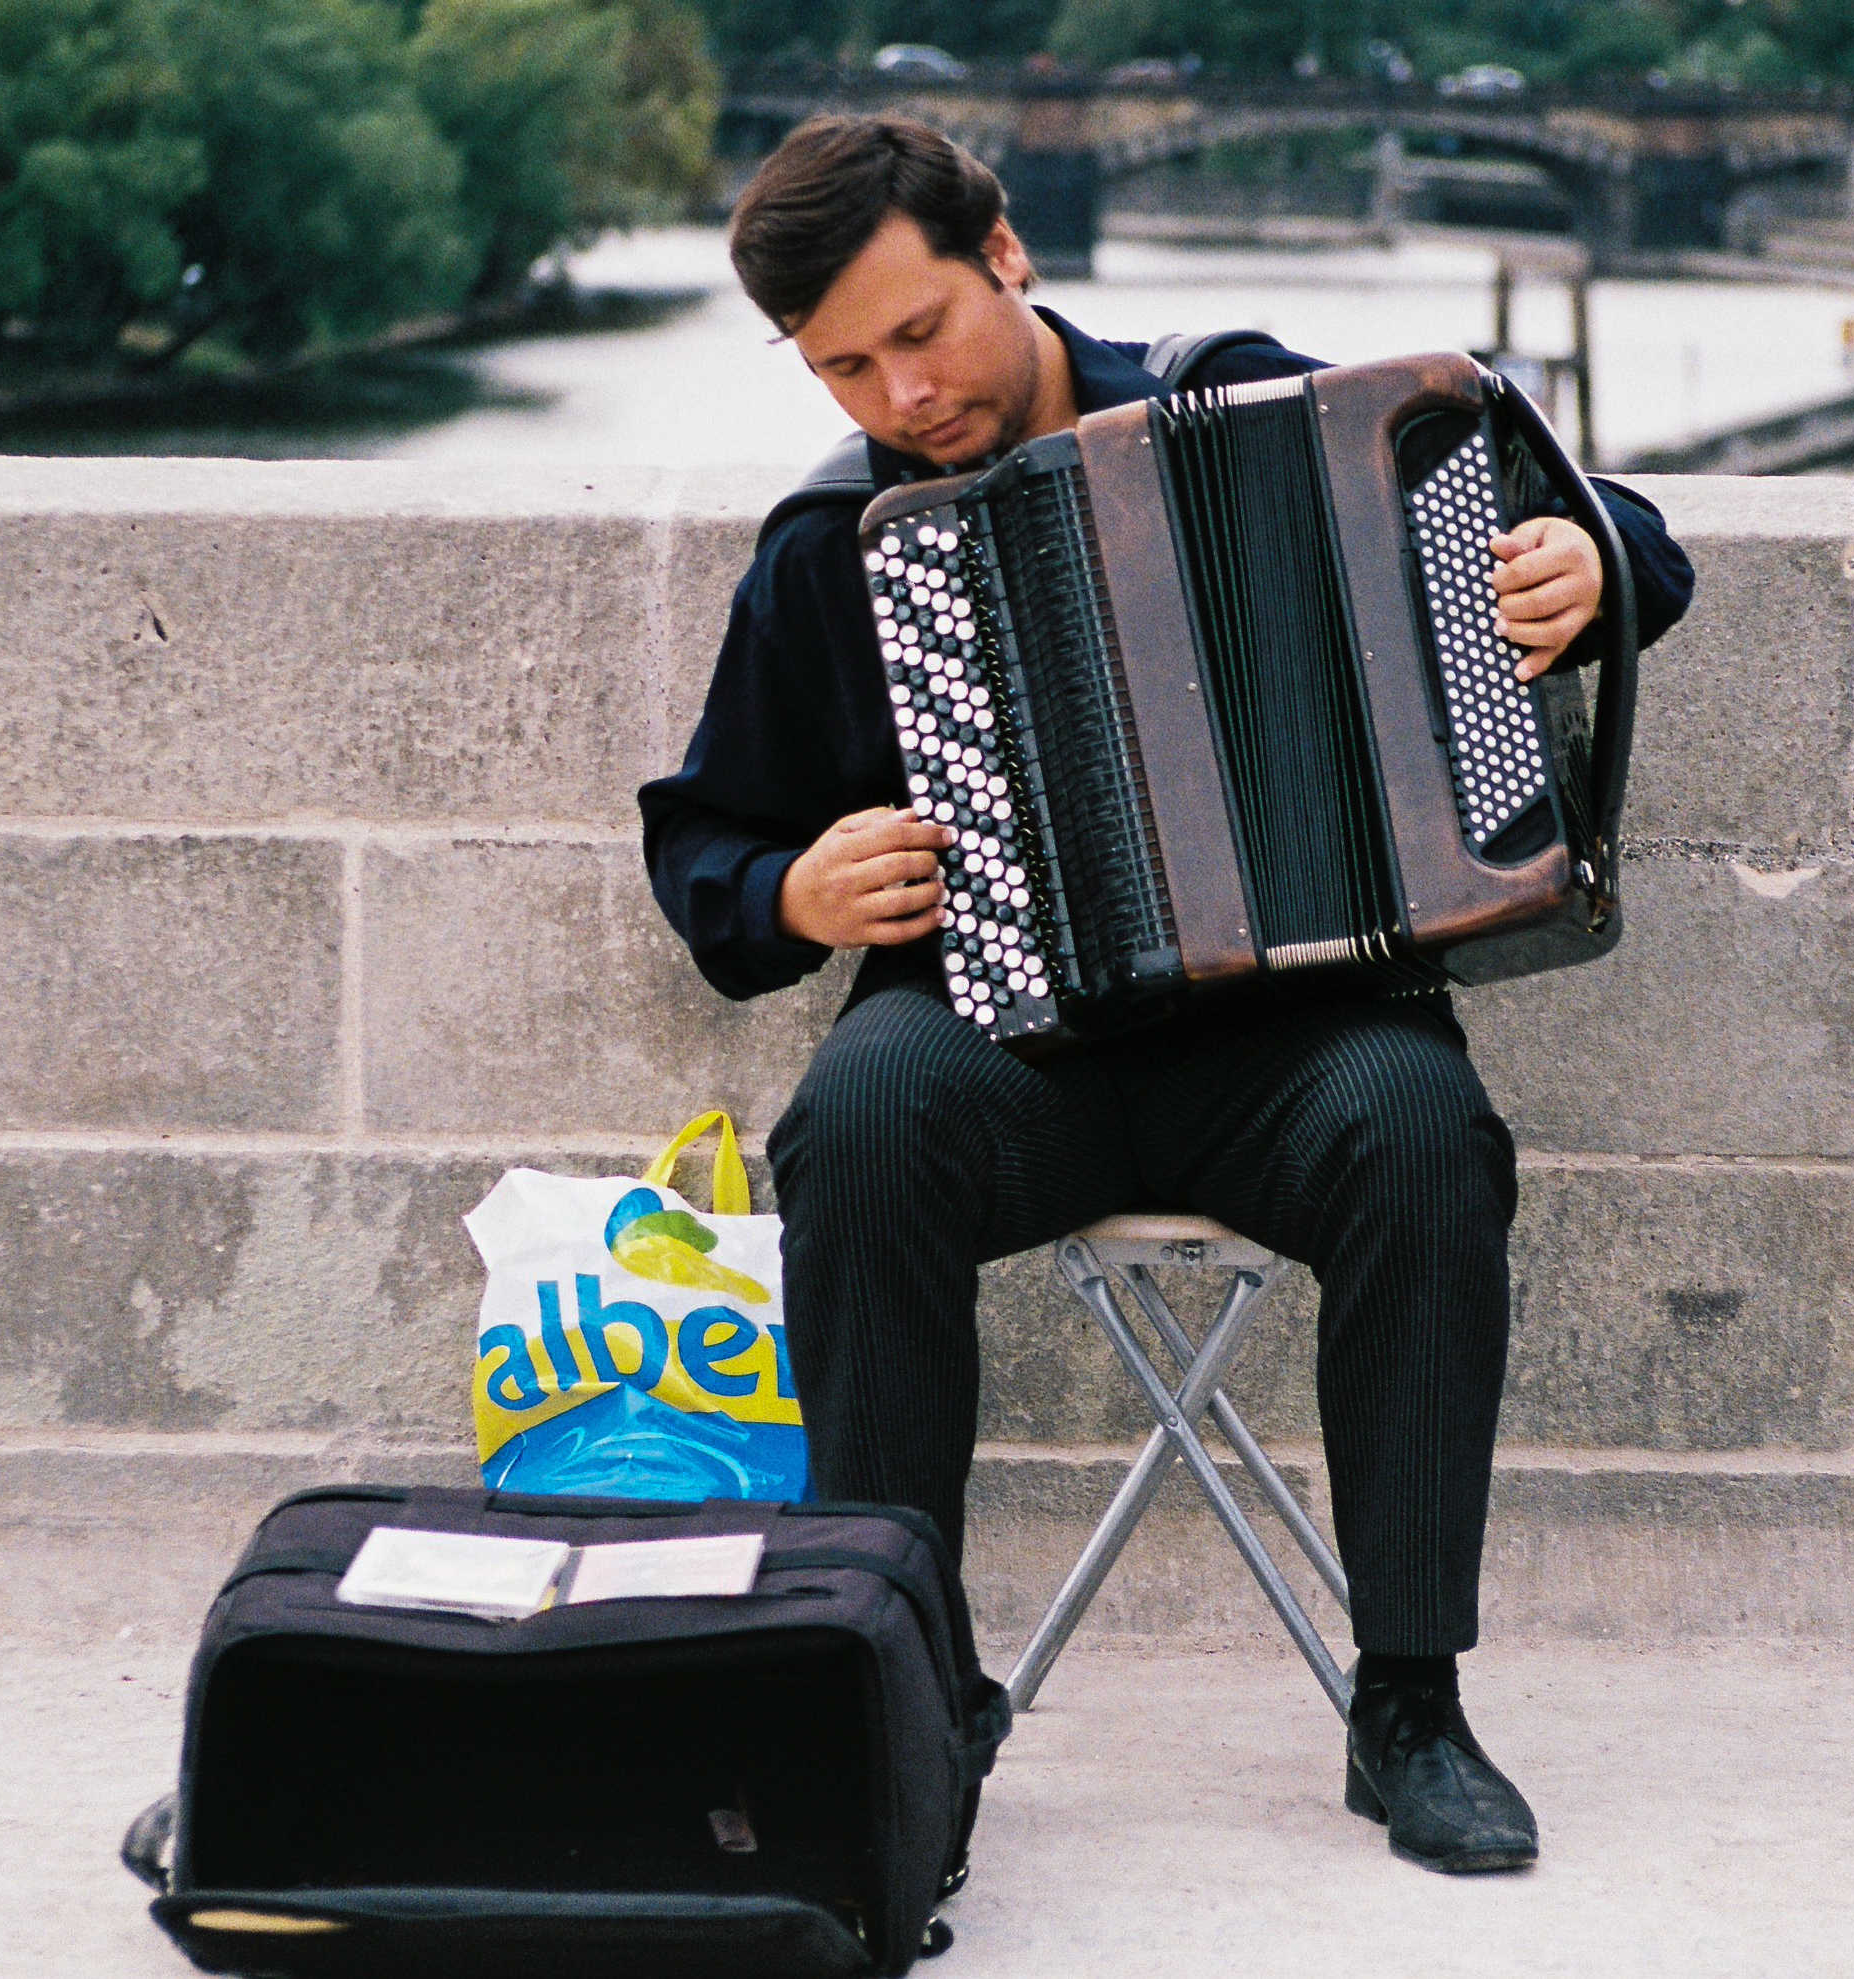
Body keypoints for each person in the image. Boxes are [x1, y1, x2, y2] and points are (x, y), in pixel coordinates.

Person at [639, 114, 1695, 1877]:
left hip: (1297, 1043)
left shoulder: (1255, 403)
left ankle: (1412, 1705)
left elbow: (1628, 535)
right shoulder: (835, 546)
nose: (901, 394)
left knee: (1423, 1120)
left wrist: (1595, 578)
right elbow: (708, 854)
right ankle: (903, 1693)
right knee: (861, 1114)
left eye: (923, 331)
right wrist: (793, 886)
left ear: (1006, 252)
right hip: (995, 1057)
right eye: (845, 367)